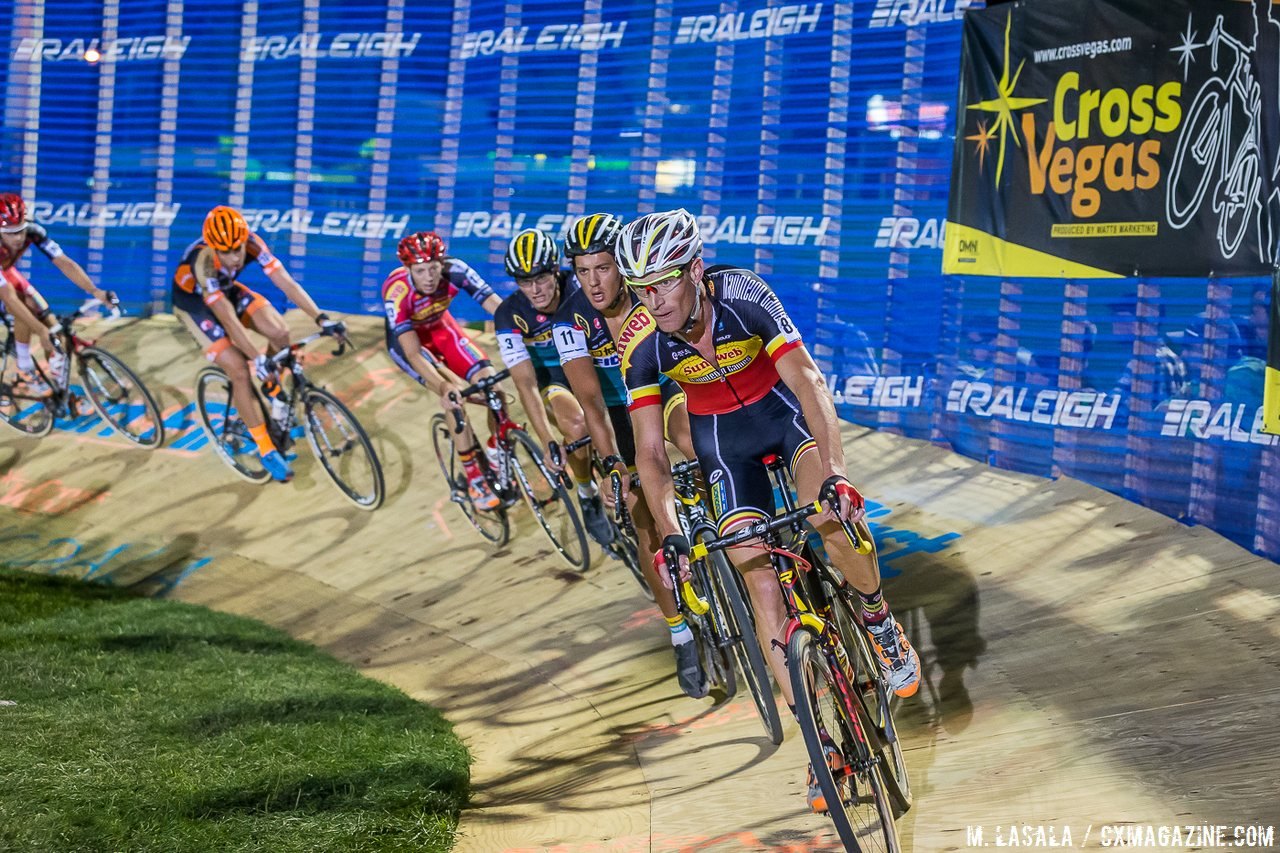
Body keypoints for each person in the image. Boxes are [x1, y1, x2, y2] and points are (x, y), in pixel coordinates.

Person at [614, 209, 920, 810]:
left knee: (831, 522)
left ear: (694, 270)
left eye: (665, 282)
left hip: (784, 419)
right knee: (759, 586)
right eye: (642, 288)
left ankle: (880, 623)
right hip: (724, 449)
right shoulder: (641, 344)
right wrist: (671, 532)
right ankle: (819, 745)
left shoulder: (743, 293)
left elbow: (807, 381)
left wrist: (835, 473)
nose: (655, 300)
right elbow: (648, 450)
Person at [554, 212, 706, 697]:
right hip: (619, 411)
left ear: (621, 264)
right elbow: (592, 404)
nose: (593, 282)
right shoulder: (570, 320)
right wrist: (613, 465)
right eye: (582, 271)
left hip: (669, 388)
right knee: (644, 520)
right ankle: (679, 632)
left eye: (602, 268)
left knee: (693, 440)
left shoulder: (649, 291)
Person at [172, 205, 345, 483]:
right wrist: (257, 358)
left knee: (279, 332)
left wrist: (321, 318)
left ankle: (274, 398)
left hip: (226, 292)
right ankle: (265, 448)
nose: (234, 257)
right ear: (213, 248)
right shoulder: (202, 262)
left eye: (237, 249)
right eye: (225, 251)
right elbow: (228, 320)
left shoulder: (253, 243)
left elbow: (287, 284)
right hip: (194, 306)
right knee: (239, 369)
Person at [493, 228, 612, 546]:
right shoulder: (509, 315)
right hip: (553, 378)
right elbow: (526, 383)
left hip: (594, 361)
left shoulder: (580, 286)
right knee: (576, 424)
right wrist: (547, 440)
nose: (534, 289)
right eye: (524, 281)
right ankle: (587, 493)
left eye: (541, 278)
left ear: (556, 271)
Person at [382, 230, 502, 510]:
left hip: (441, 330)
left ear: (442, 263)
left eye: (433, 268)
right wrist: (445, 387)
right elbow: (412, 353)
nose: (428, 277)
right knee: (454, 400)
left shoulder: (455, 270)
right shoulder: (397, 292)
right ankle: (473, 476)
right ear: (408, 268)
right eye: (420, 270)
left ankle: (497, 451)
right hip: (411, 345)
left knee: (492, 386)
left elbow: (496, 306)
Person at [0, 192, 112, 396]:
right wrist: (40, 332)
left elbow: (65, 263)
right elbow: (9, 298)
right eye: (10, 233)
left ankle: (59, 388)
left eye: (20, 231)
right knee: (23, 308)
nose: (18, 238)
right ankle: (24, 367)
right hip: (3, 279)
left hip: (5, 271)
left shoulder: (34, 231)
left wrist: (96, 291)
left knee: (53, 327)